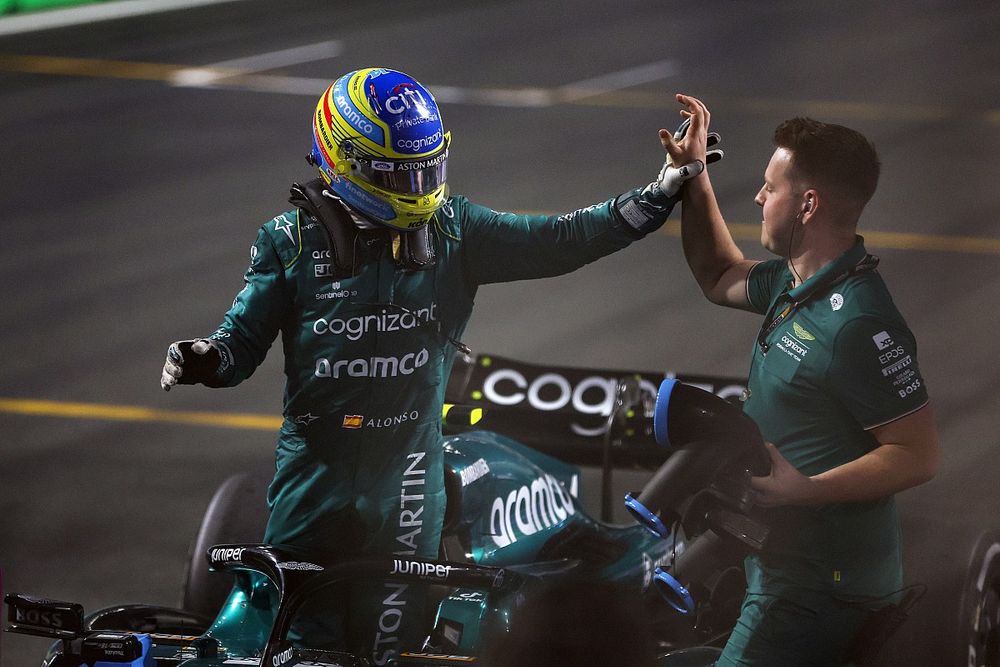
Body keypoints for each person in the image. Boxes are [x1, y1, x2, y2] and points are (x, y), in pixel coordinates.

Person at [159, 67, 704, 664]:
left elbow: (562, 239)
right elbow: (241, 342)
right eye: (399, 174)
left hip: (409, 469)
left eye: (426, 168)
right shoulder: (289, 242)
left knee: (390, 640)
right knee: (293, 631)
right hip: (313, 467)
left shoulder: (456, 231)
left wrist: (655, 198)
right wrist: (208, 358)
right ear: (344, 161)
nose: (418, 187)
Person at [661, 94, 939, 666]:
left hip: (821, 589)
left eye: (771, 186)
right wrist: (693, 177)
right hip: (784, 570)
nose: (760, 197)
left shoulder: (858, 322)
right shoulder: (794, 283)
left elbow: (917, 453)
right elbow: (718, 275)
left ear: (808, 203)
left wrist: (806, 490)